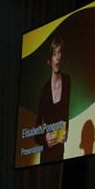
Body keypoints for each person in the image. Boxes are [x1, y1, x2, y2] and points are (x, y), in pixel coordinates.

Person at [34, 35, 71, 164]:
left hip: (59, 152)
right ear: (50, 58)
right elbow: (36, 131)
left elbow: (66, 114)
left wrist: (66, 132)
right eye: (54, 54)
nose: (57, 58)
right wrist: (45, 137)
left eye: (60, 53)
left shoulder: (67, 81)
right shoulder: (44, 91)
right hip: (46, 154)